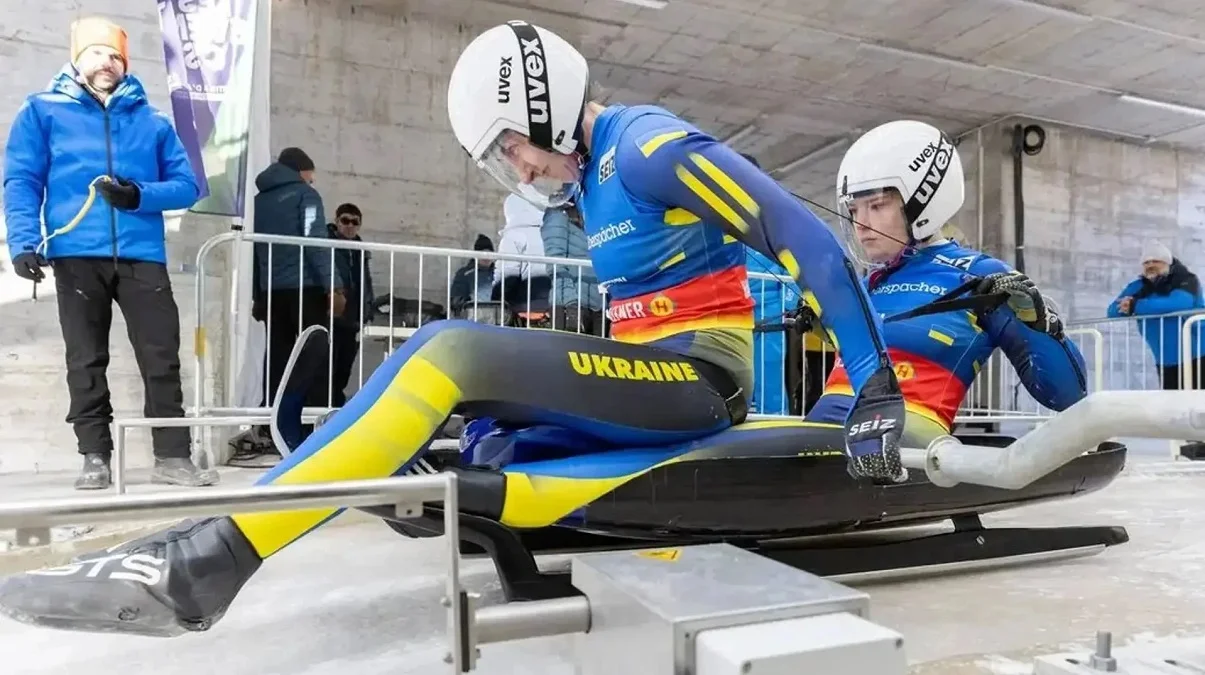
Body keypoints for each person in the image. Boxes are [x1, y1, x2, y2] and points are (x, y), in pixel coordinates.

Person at [0, 20, 908, 637]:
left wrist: (873, 383)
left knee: (444, 351)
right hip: (650, 374)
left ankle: (203, 562)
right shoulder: (590, 177)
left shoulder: (645, 146)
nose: (514, 166)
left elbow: (793, 231)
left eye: (511, 143)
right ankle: (217, 523)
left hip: (701, 381)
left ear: (545, 104)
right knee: (478, 430)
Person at [2, 17, 216, 489]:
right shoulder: (42, 111)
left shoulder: (152, 121)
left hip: (142, 254)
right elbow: (21, 180)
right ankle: (94, 457)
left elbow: (187, 185)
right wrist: (22, 242)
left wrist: (138, 194)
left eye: (117, 55)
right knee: (86, 359)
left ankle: (172, 457)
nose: (108, 62)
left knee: (161, 357)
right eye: (98, 53)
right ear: (78, 58)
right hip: (76, 252)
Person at [800, 120, 1087, 445]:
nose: (860, 225)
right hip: (818, 442)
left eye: (877, 206)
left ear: (924, 201)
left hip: (899, 448)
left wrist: (1041, 325)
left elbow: (1066, 396)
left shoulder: (980, 275)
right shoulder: (870, 282)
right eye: (853, 209)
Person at [248, 147, 344, 453]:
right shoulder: (306, 196)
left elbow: (256, 251)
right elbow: (315, 241)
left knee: (277, 357)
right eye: (311, 173)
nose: (313, 179)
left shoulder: (259, 201)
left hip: (273, 291)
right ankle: (307, 428)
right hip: (305, 288)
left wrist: (257, 294)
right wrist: (334, 287)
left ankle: (271, 425)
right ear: (301, 170)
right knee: (312, 356)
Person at [1106, 241, 1205, 389]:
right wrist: (1129, 306)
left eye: (1156, 261)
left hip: (1198, 354)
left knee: (1199, 403)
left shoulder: (1186, 280)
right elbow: (1113, 311)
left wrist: (1136, 305)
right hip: (1165, 358)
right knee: (1173, 406)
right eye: (1146, 262)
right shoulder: (1139, 286)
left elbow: (1179, 303)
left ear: (1167, 263)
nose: (1150, 265)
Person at [328, 203, 375, 405]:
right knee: (326, 368)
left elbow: (365, 280)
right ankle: (323, 407)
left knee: (344, 369)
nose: (350, 226)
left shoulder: (359, 249)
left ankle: (335, 406)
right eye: (345, 221)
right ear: (337, 221)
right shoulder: (326, 243)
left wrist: (367, 309)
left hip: (352, 318)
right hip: (331, 315)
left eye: (355, 222)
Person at [542, 200, 605, 335]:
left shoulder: (595, 216)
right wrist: (571, 302)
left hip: (599, 304)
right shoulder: (558, 213)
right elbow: (555, 262)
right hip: (571, 303)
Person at [449, 234, 496, 311]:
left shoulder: (498, 273)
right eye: (482, 253)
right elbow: (456, 301)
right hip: (472, 316)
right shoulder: (465, 274)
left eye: (489, 253)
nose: (486, 257)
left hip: (497, 317)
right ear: (475, 255)